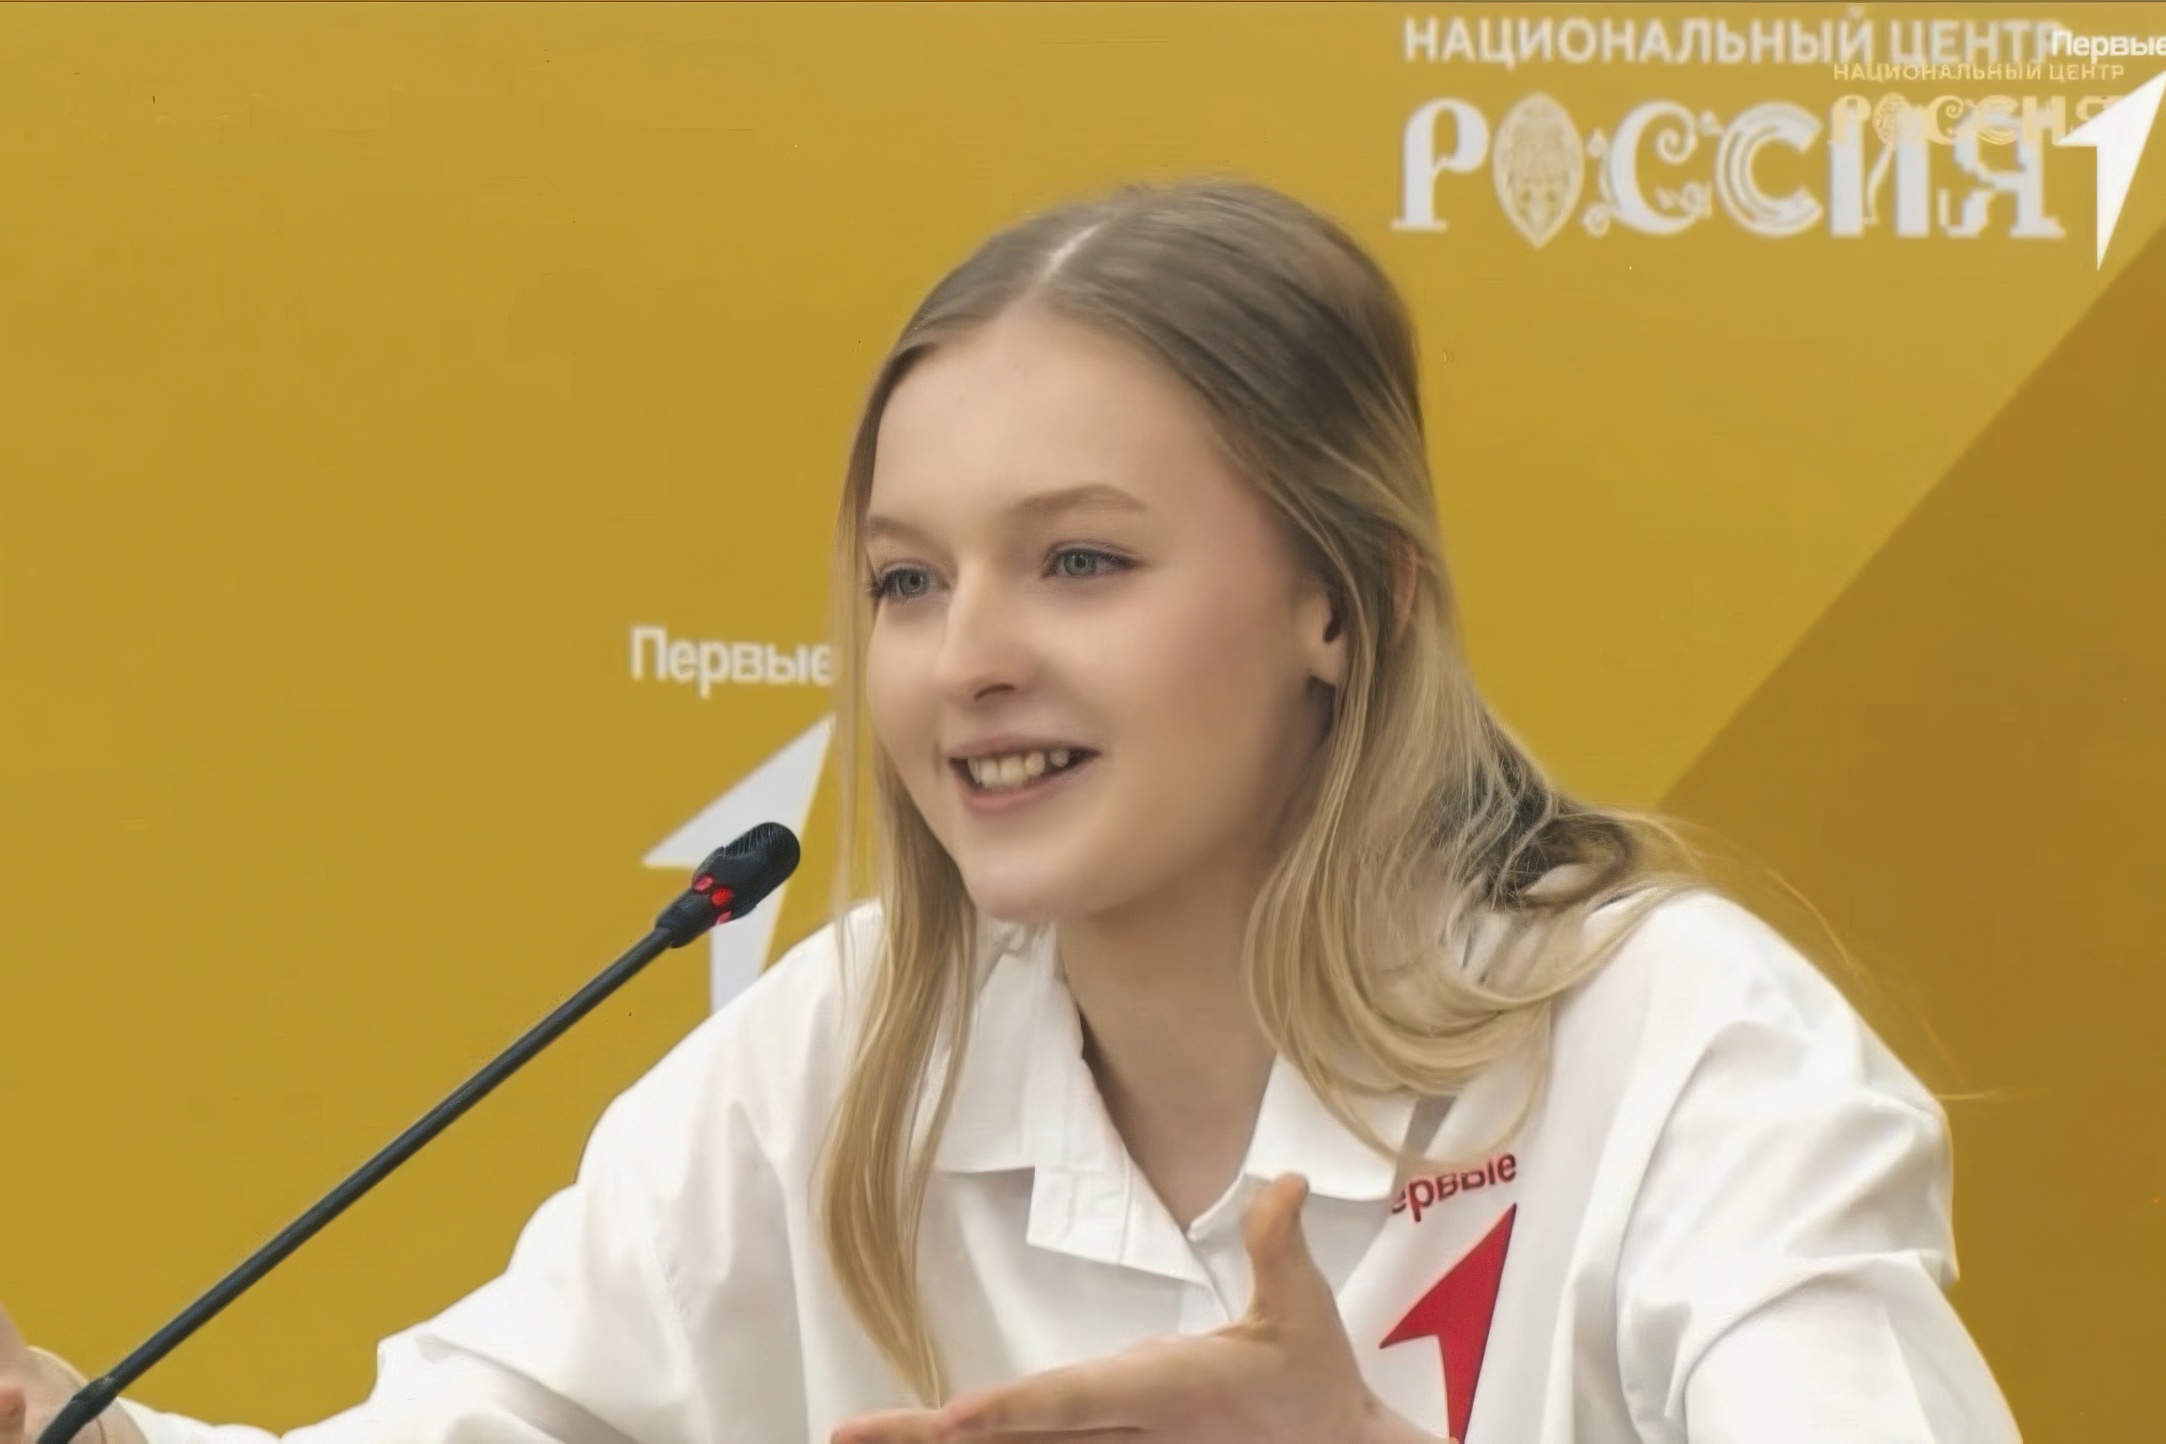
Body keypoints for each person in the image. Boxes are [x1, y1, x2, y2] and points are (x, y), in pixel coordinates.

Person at [0, 177, 2023, 1444]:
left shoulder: (1674, 1043)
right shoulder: (849, 1042)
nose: (963, 658)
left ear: (1345, 601)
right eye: (907, 579)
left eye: (1079, 562)